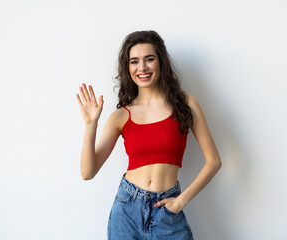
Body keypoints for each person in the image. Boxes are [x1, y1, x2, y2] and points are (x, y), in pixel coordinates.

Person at [76, 30, 221, 240]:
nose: (142, 68)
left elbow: (214, 161)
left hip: (167, 209)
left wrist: (181, 201)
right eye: (134, 61)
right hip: (126, 209)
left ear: (161, 62)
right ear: (128, 68)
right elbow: (87, 172)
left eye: (149, 59)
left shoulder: (186, 104)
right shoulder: (121, 116)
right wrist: (91, 125)